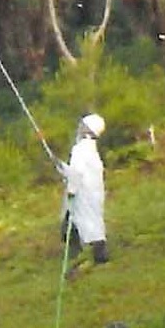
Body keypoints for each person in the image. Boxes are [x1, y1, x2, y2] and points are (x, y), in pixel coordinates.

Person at [58, 113, 108, 276]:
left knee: (73, 226)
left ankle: (79, 259)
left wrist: (71, 190)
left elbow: (77, 173)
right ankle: (96, 254)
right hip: (92, 193)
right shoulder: (90, 149)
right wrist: (61, 167)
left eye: (82, 125)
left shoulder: (80, 149)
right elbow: (77, 171)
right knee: (92, 224)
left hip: (82, 194)